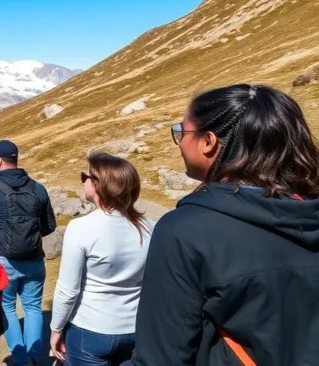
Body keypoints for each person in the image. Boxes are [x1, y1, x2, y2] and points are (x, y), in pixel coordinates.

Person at [125, 84, 319, 365]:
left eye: (182, 132)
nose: (179, 142)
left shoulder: (184, 230)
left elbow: (160, 357)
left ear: (209, 142)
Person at [48, 153, 153, 366]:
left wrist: (56, 329)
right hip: (135, 328)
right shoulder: (150, 226)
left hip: (91, 329)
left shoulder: (80, 228)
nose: (83, 180)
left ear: (99, 184)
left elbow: (68, 290)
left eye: (85, 176)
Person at [0, 140, 56, 366]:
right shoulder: (38, 188)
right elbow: (49, 225)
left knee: (7, 307)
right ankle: (33, 358)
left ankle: (20, 360)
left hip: (3, 260)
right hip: (34, 260)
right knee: (33, 308)